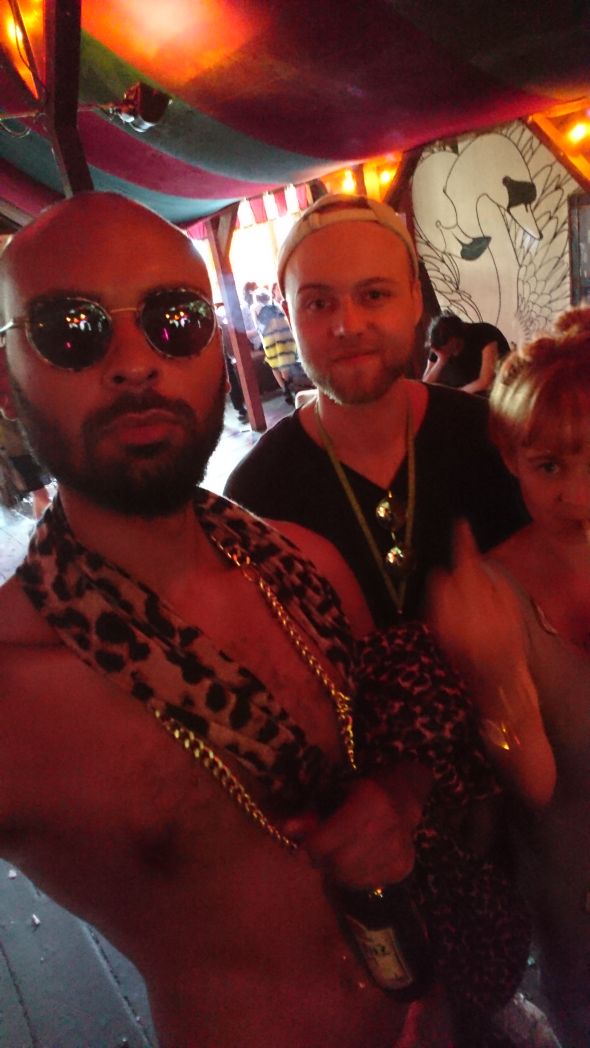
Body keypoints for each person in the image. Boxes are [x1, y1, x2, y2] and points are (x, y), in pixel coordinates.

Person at [0, 190, 533, 1048]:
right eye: (71, 329)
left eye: (174, 321)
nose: (135, 364)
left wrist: (400, 796)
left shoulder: (303, 564)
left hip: (437, 1004)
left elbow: (402, 737)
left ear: (218, 347)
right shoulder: (17, 693)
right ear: (6, 374)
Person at [225, 193, 527, 628]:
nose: (348, 326)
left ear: (415, 299)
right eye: (318, 303)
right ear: (288, 314)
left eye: (374, 294)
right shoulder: (256, 496)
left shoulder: (492, 440)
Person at [428, 309, 590, 1048]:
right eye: (549, 466)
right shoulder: (494, 595)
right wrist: (492, 672)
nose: (577, 498)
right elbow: (539, 787)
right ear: (510, 455)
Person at [422, 311, 510, 396]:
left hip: (496, 393)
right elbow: (425, 385)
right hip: (461, 396)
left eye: (454, 348)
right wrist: (440, 361)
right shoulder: (439, 346)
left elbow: (485, 381)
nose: (453, 354)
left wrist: (454, 396)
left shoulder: (484, 333)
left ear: (456, 337)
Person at [255, 288, 312, 405]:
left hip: (269, 338)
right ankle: (291, 386)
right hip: (284, 334)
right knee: (286, 361)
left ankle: (285, 390)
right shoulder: (275, 304)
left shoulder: (255, 307)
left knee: (274, 365)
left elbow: (258, 326)